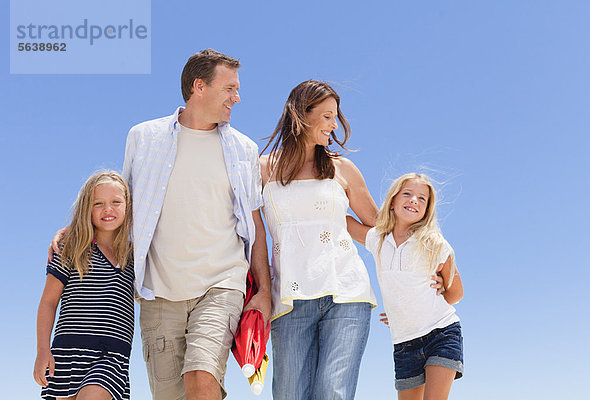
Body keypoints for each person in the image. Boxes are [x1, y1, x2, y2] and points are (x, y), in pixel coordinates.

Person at [50, 49, 271, 400]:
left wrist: (264, 289)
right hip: (158, 291)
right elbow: (124, 202)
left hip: (221, 284)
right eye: (229, 88)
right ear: (199, 87)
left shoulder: (243, 149)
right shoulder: (144, 137)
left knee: (202, 378)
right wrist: (77, 227)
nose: (236, 97)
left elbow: (254, 220)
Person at [260, 81, 444, 399]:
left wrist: (425, 272)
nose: (335, 124)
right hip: (288, 298)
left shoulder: (342, 169)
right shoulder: (264, 169)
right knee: (288, 394)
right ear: (302, 116)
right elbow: (250, 235)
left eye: (336, 117)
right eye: (327, 116)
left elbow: (383, 230)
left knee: (333, 392)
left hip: (346, 294)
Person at [347, 173, 464, 400]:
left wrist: (419, 310)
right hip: (404, 343)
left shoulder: (435, 244)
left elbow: (457, 292)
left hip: (442, 333)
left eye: (422, 199)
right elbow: (346, 222)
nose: (414, 201)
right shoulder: (378, 240)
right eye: (407, 194)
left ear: (427, 209)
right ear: (392, 201)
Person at [34, 171, 135, 400]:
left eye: (116, 202)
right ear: (86, 209)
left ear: (128, 207)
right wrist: (42, 350)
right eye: (98, 203)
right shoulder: (71, 248)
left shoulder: (134, 256)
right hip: (68, 353)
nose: (108, 209)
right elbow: (49, 302)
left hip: (111, 355)